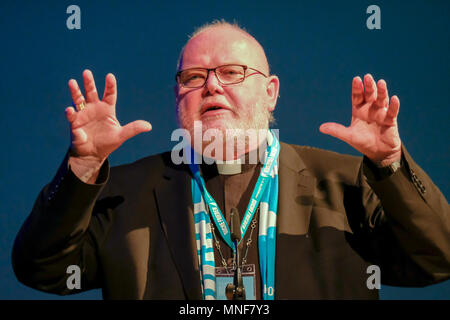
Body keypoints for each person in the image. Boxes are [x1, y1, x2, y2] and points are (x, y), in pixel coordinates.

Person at [12, 21, 449, 300]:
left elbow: (438, 259)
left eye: (232, 72)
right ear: (177, 96)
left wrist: (390, 163)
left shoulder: (348, 183)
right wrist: (83, 169)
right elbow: (43, 270)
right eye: (193, 77)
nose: (212, 86)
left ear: (271, 91)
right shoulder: (124, 191)